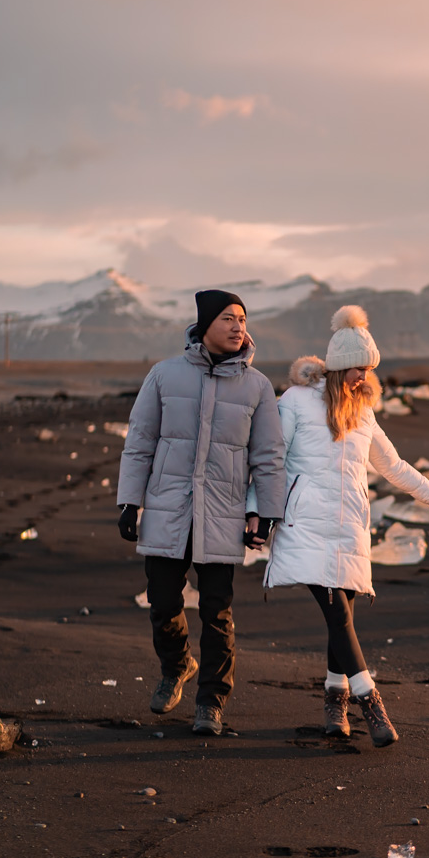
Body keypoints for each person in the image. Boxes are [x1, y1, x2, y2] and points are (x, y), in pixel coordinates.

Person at [247, 305, 429, 747]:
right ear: (340, 365)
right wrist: (256, 513)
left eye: (370, 368)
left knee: (344, 617)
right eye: (360, 368)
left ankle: (333, 704)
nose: (365, 376)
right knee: (336, 610)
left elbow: (391, 464)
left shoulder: (363, 413)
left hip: (349, 524)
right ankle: (369, 700)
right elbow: (271, 460)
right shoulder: (297, 402)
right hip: (304, 520)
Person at [117, 290, 285, 736]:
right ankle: (176, 666)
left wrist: (264, 514)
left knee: (217, 611)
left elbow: (268, 456)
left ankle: (210, 701)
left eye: (243, 319)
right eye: (228, 318)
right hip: (168, 509)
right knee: (163, 603)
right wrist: (129, 501)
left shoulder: (257, 386)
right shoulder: (163, 375)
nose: (238, 327)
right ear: (205, 324)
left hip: (224, 516)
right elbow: (140, 443)